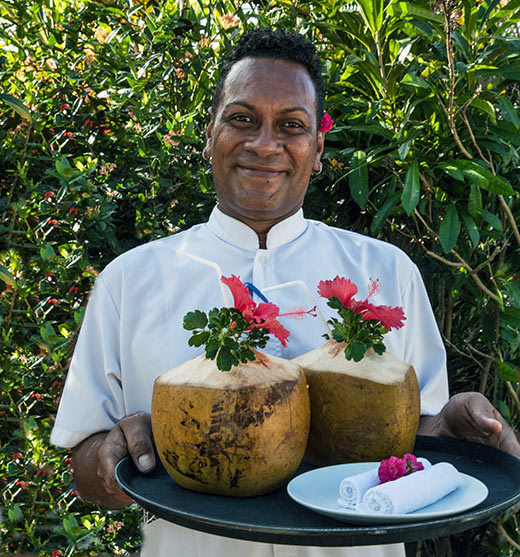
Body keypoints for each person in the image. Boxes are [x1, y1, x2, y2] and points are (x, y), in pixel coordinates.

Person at [51, 29, 520, 557]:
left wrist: (450, 437)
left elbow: (414, 433)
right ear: (210, 133)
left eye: (291, 126)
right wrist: (113, 456)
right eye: (242, 118)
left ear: (316, 148)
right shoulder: (129, 279)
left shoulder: (386, 270)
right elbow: (86, 468)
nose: (264, 143)